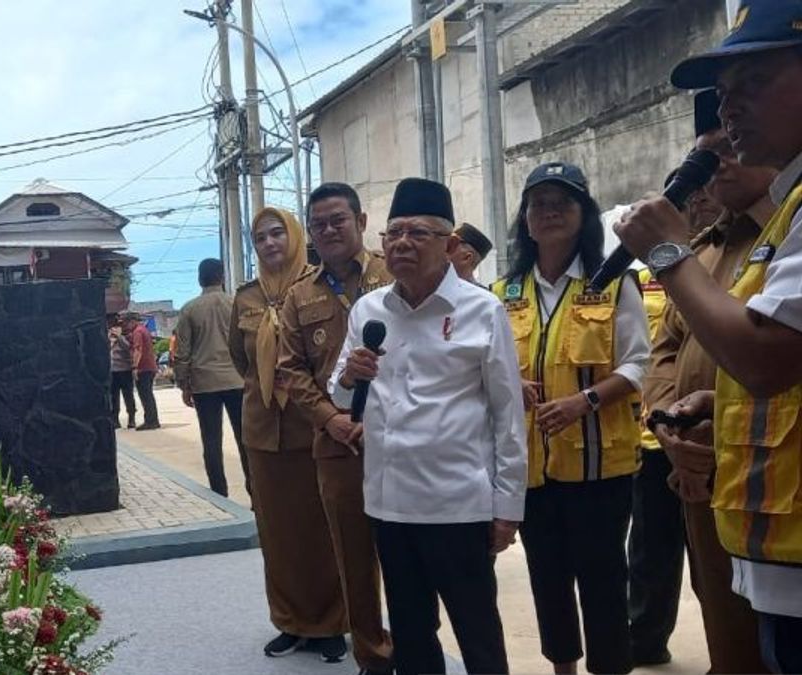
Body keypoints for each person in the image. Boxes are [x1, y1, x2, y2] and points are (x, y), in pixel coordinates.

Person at [617, 3, 802, 669]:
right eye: (724, 94)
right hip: (744, 511)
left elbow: (762, 355)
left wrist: (666, 255)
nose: (729, 110)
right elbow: (686, 351)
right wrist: (693, 412)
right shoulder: (778, 223)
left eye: (752, 82)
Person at [332, 179, 526, 675]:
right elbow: (338, 394)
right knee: (413, 636)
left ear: (450, 245)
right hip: (390, 504)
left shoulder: (482, 311)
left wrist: (507, 507)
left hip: (458, 505)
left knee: (477, 631)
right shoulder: (368, 311)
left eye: (418, 233)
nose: (401, 243)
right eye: (393, 233)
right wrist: (350, 374)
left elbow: (507, 414)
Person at [492, 162, 650, 675]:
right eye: (539, 204)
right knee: (548, 577)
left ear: (584, 215)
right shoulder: (504, 292)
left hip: (601, 468)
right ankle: (562, 668)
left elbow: (638, 365)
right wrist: (507, 385)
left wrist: (585, 401)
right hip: (533, 468)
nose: (549, 212)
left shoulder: (613, 283)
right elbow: (484, 368)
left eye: (562, 202)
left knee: (604, 580)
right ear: (526, 220)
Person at [640, 89, 775, 673]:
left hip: (772, 474)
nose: (716, 163)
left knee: (775, 628)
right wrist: (667, 421)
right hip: (696, 467)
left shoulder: (785, 237)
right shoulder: (703, 249)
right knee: (721, 614)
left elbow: (774, 356)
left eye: (726, 148)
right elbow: (665, 345)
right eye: (704, 153)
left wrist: (720, 415)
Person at [279, 182, 393, 674]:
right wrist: (331, 418)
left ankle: (417, 649)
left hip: (401, 443)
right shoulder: (298, 296)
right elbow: (290, 370)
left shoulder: (397, 275)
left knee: (410, 556)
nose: (328, 230)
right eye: (319, 224)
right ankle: (373, 657)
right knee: (353, 560)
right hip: (337, 448)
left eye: (338, 220)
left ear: (361, 222)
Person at [229, 207, 348, 660]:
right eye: (260, 237)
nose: (270, 243)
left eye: (278, 233)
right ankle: (291, 621)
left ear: (295, 236)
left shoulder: (320, 287)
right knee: (276, 531)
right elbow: (241, 361)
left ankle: (333, 622)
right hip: (264, 431)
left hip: (314, 427)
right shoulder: (245, 298)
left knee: (325, 528)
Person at [175, 258, 248, 497]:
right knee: (245, 439)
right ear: (222, 277)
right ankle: (255, 493)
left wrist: (183, 384)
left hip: (204, 383)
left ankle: (219, 495)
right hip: (237, 380)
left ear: (199, 278)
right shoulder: (236, 303)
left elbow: (183, 351)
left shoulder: (189, 309)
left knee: (211, 441)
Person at [127, 313, 160, 430]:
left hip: (144, 368)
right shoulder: (144, 330)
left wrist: (135, 367)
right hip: (150, 367)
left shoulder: (138, 332)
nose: (126, 326)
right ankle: (153, 419)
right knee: (148, 395)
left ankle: (150, 421)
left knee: (145, 395)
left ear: (132, 321)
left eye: (127, 323)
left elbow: (138, 350)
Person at [108, 315, 138, 429]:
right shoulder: (107, 335)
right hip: (112, 371)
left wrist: (119, 337)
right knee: (113, 397)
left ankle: (131, 418)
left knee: (128, 396)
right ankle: (115, 419)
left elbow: (128, 347)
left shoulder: (126, 335)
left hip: (124, 370)